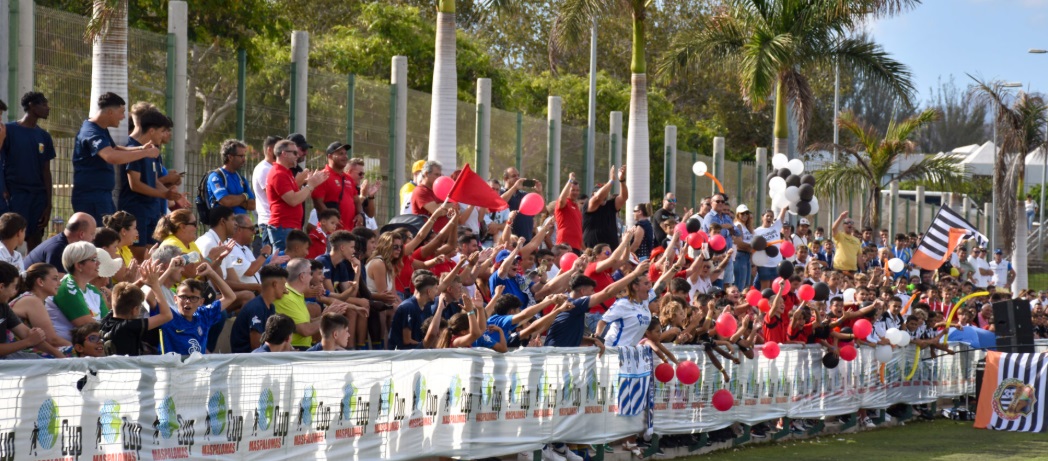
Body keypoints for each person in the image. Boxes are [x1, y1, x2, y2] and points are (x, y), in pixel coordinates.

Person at [72, 92, 160, 223]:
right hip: (91, 196)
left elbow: (115, 149)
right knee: (101, 238)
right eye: (121, 112)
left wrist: (141, 148)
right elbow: (111, 157)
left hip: (102, 196)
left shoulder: (100, 129)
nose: (123, 117)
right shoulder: (91, 131)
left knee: (109, 237)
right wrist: (145, 154)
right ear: (110, 112)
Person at [119, 108, 177, 261]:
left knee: (153, 255)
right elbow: (135, 184)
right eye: (162, 131)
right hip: (137, 210)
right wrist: (164, 194)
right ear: (152, 131)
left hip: (152, 211)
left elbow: (155, 180)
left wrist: (172, 195)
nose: (163, 135)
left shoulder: (153, 152)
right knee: (137, 256)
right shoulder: (134, 149)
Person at [1, 92, 56, 249]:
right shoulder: (9, 130)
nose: (48, 108)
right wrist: (4, 190)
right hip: (16, 194)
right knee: (11, 238)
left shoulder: (44, 136)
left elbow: (46, 171)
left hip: (38, 197)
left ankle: (32, 272)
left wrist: (48, 203)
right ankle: (8, 272)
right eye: (44, 104)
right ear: (32, 105)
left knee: (35, 239)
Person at [158, 263, 237, 355]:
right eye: (183, 297)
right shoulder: (168, 316)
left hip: (198, 368)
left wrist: (211, 273)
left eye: (193, 298)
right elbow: (150, 298)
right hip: (174, 368)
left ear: (201, 302)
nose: (188, 301)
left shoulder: (204, 315)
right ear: (175, 299)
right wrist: (169, 270)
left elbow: (230, 297)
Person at [99, 262, 172, 356]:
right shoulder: (128, 326)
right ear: (135, 310)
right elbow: (167, 315)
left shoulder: (105, 322)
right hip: (128, 370)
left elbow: (122, 297)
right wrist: (155, 285)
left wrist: (142, 281)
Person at [266, 139, 328, 250]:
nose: (298, 155)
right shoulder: (278, 174)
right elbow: (293, 200)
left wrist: (312, 184)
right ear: (284, 153)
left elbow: (299, 197)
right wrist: (310, 184)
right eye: (294, 153)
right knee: (284, 261)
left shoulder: (286, 172)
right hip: (283, 227)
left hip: (290, 226)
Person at [275, 258, 348, 350]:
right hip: (295, 350)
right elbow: (306, 330)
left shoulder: (296, 293)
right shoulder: (287, 298)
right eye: (310, 273)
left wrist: (325, 315)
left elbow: (308, 322)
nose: (312, 277)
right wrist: (326, 318)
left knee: (339, 350)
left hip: (302, 348)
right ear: (302, 276)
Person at [46, 242, 108, 342]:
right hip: (67, 351)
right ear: (79, 265)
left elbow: (107, 324)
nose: (98, 263)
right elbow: (90, 329)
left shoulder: (93, 291)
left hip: (90, 347)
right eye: (93, 260)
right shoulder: (67, 288)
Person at [0, 261, 62, 359]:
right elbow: (48, 339)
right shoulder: (31, 300)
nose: (14, 292)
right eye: (14, 287)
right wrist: (27, 342)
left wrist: (60, 356)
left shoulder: (3, 306)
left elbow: (26, 333)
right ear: (1, 287)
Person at [230, 265, 288, 353]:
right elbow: (256, 347)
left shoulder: (270, 307)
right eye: (283, 285)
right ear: (275, 284)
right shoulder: (257, 307)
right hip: (246, 360)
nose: (285, 290)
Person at [10, 263, 69, 350]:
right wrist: (77, 348)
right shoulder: (32, 301)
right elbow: (52, 340)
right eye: (55, 279)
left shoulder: (34, 299)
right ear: (40, 282)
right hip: (17, 354)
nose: (59, 283)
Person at [26, 212, 97, 272]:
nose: (94, 238)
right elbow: (59, 282)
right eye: (92, 234)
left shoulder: (64, 244)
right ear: (81, 234)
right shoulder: (58, 249)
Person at [311, 142, 359, 230]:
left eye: (345, 154)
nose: (345, 157)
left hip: (349, 232)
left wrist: (360, 214)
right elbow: (318, 202)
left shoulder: (349, 178)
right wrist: (332, 220)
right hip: (331, 232)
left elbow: (356, 200)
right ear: (329, 156)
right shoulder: (322, 176)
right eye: (341, 154)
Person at [223, 214, 275, 292]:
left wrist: (272, 263)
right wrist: (264, 255)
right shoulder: (230, 248)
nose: (254, 232)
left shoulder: (245, 248)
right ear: (239, 229)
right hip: (247, 296)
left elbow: (257, 270)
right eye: (251, 228)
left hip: (257, 293)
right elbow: (249, 271)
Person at [389, 273, 440, 350]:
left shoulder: (426, 306)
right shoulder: (408, 307)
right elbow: (407, 341)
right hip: (402, 354)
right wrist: (426, 344)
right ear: (429, 291)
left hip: (416, 350)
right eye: (436, 288)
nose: (437, 292)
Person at [206, 139, 255, 215]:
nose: (244, 159)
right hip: (224, 225)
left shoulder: (241, 179)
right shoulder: (216, 177)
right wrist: (245, 196)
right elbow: (225, 201)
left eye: (244, 156)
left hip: (241, 225)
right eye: (241, 156)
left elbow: (253, 205)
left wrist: (234, 200)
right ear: (230, 157)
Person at [583, 166, 628, 249]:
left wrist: (622, 180)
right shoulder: (589, 204)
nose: (605, 195)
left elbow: (624, 197)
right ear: (592, 195)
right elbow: (598, 197)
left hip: (610, 251)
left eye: (606, 192)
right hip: (594, 251)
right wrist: (611, 181)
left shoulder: (609, 204)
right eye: (603, 191)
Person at [701, 193, 737, 286]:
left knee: (728, 285)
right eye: (718, 201)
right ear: (711, 203)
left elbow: (737, 232)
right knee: (716, 285)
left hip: (727, 255)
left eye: (723, 202)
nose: (721, 203)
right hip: (715, 256)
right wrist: (727, 227)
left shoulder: (727, 217)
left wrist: (730, 228)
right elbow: (715, 232)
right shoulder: (709, 217)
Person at [252, 135, 282, 246]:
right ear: (270, 150)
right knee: (270, 259)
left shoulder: (274, 168)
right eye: (279, 149)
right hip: (268, 223)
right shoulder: (264, 169)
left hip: (276, 223)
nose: (282, 153)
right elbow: (277, 195)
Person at [500, 167, 542, 241]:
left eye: (518, 175)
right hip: (511, 239)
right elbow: (500, 203)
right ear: (506, 179)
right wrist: (514, 187)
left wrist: (539, 192)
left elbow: (542, 209)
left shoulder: (524, 195)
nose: (517, 178)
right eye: (513, 176)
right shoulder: (501, 192)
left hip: (526, 237)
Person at [411, 160, 452, 232]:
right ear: (426, 174)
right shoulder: (420, 191)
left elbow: (455, 208)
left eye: (440, 175)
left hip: (441, 236)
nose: (439, 178)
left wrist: (444, 207)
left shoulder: (437, 191)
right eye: (436, 174)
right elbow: (436, 210)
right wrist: (449, 207)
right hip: (428, 237)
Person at [554, 172, 584, 252]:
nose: (575, 192)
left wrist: (584, 248)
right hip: (564, 246)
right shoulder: (565, 203)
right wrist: (570, 181)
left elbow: (578, 230)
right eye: (573, 190)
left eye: (577, 190)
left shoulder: (577, 207)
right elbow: (561, 199)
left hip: (576, 247)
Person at [733, 205, 754, 288]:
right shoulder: (738, 225)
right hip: (740, 255)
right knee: (740, 284)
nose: (745, 215)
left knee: (746, 285)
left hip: (747, 256)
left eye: (747, 213)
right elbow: (739, 243)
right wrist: (752, 247)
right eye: (742, 213)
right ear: (738, 214)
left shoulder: (746, 226)